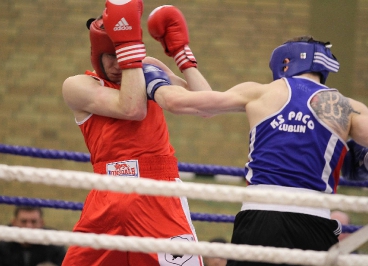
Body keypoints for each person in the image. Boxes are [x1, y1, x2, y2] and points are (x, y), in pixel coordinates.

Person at [145, 35, 368, 265]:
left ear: (284, 62)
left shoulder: (261, 92)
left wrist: (154, 79)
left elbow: (179, 103)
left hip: (259, 219)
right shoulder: (346, 107)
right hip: (315, 222)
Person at [61, 2, 211, 265]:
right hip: (107, 197)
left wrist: (183, 57)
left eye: (124, 54)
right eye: (111, 55)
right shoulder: (78, 86)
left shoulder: (147, 66)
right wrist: (129, 49)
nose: (120, 64)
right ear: (96, 53)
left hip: (158, 192)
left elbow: (205, 105)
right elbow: (132, 108)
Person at [0, 206, 66, 266]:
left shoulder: (53, 240)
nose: (28, 226)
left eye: (33, 221)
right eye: (23, 221)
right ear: (14, 223)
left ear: (41, 223)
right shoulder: (3, 239)